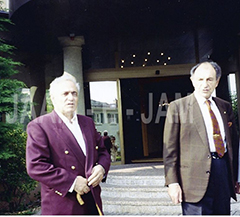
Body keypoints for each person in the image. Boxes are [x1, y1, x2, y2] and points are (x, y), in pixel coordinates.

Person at [26, 73, 111, 215]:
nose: (70, 98)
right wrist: (72, 182)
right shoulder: (40, 126)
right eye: (65, 94)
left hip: (92, 202)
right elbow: (35, 165)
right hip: (62, 205)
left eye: (74, 93)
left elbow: (103, 151)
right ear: (53, 98)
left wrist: (102, 168)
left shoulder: (87, 123)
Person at [163, 61, 240, 215]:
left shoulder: (224, 107)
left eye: (210, 79)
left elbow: (234, 144)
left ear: (217, 82)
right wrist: (172, 183)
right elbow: (170, 150)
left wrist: (237, 177)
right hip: (193, 181)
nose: (205, 84)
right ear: (192, 80)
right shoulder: (178, 107)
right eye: (200, 79)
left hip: (222, 175)